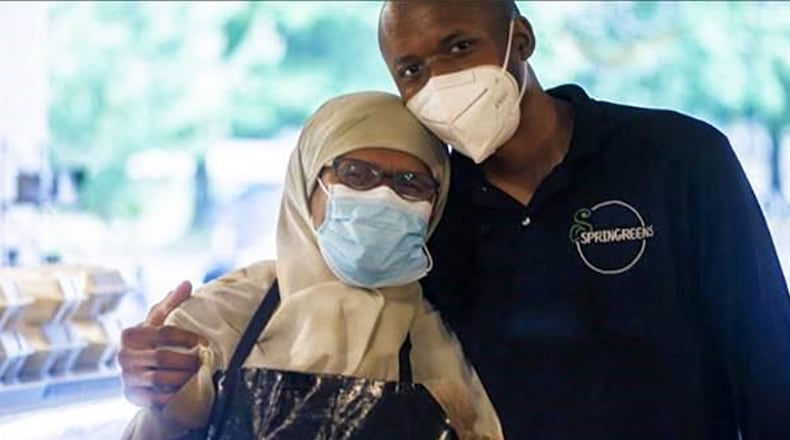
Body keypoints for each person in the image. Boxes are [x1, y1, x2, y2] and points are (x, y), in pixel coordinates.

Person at [121, 1, 790, 438]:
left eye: (460, 46)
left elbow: (767, 355)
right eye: (411, 69)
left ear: (520, 39)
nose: (438, 79)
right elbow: (321, 300)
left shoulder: (675, 157)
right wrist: (169, 373)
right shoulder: (430, 212)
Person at [120, 92, 502, 440]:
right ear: (308, 182)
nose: (384, 196)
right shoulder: (226, 315)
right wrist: (164, 399)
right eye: (356, 174)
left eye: (410, 183)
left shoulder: (436, 341)